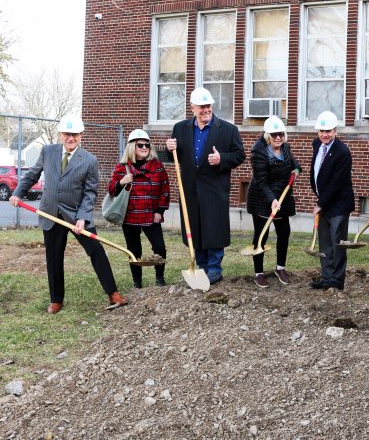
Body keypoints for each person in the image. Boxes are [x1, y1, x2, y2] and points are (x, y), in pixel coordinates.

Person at [10, 114, 127, 313]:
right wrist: (18, 193)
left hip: (77, 214)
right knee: (54, 257)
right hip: (51, 214)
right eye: (66, 134)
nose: (70, 138)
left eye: (74, 134)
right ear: (61, 134)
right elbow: (32, 175)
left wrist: (82, 218)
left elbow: (90, 192)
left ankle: (113, 293)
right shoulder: (48, 152)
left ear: (81, 135)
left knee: (96, 251)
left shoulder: (89, 160)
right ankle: (56, 299)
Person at [166, 87, 246, 285]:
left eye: (208, 106)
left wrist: (222, 159)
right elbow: (174, 157)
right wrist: (169, 149)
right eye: (201, 107)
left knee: (213, 228)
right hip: (190, 190)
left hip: (214, 189)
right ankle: (200, 267)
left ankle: (214, 269)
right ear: (192, 107)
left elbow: (239, 155)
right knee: (196, 228)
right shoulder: (180, 128)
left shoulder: (228, 130)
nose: (206, 110)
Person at [108, 129, 170, 289]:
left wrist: (159, 212)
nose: (144, 147)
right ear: (131, 147)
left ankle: (160, 278)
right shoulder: (121, 168)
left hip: (151, 216)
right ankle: (137, 282)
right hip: (130, 217)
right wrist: (121, 182)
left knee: (160, 247)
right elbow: (111, 190)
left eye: (147, 145)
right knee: (134, 250)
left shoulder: (158, 167)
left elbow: (165, 190)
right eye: (140, 145)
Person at [246, 116, 302, 288]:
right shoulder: (259, 153)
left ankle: (280, 267)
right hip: (262, 199)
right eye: (274, 134)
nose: (278, 137)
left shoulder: (285, 147)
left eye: (280, 134)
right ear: (267, 135)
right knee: (261, 235)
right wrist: (272, 200)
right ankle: (259, 273)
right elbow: (261, 182)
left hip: (282, 199)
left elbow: (294, 163)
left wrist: (297, 169)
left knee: (284, 233)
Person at [308, 111, 355, 291]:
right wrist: (320, 199)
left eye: (328, 131)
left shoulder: (342, 151)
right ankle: (326, 277)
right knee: (325, 242)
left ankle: (336, 281)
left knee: (337, 243)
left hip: (338, 205)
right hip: (324, 202)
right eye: (321, 131)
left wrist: (320, 204)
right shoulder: (317, 144)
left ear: (335, 131)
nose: (324, 134)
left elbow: (337, 183)